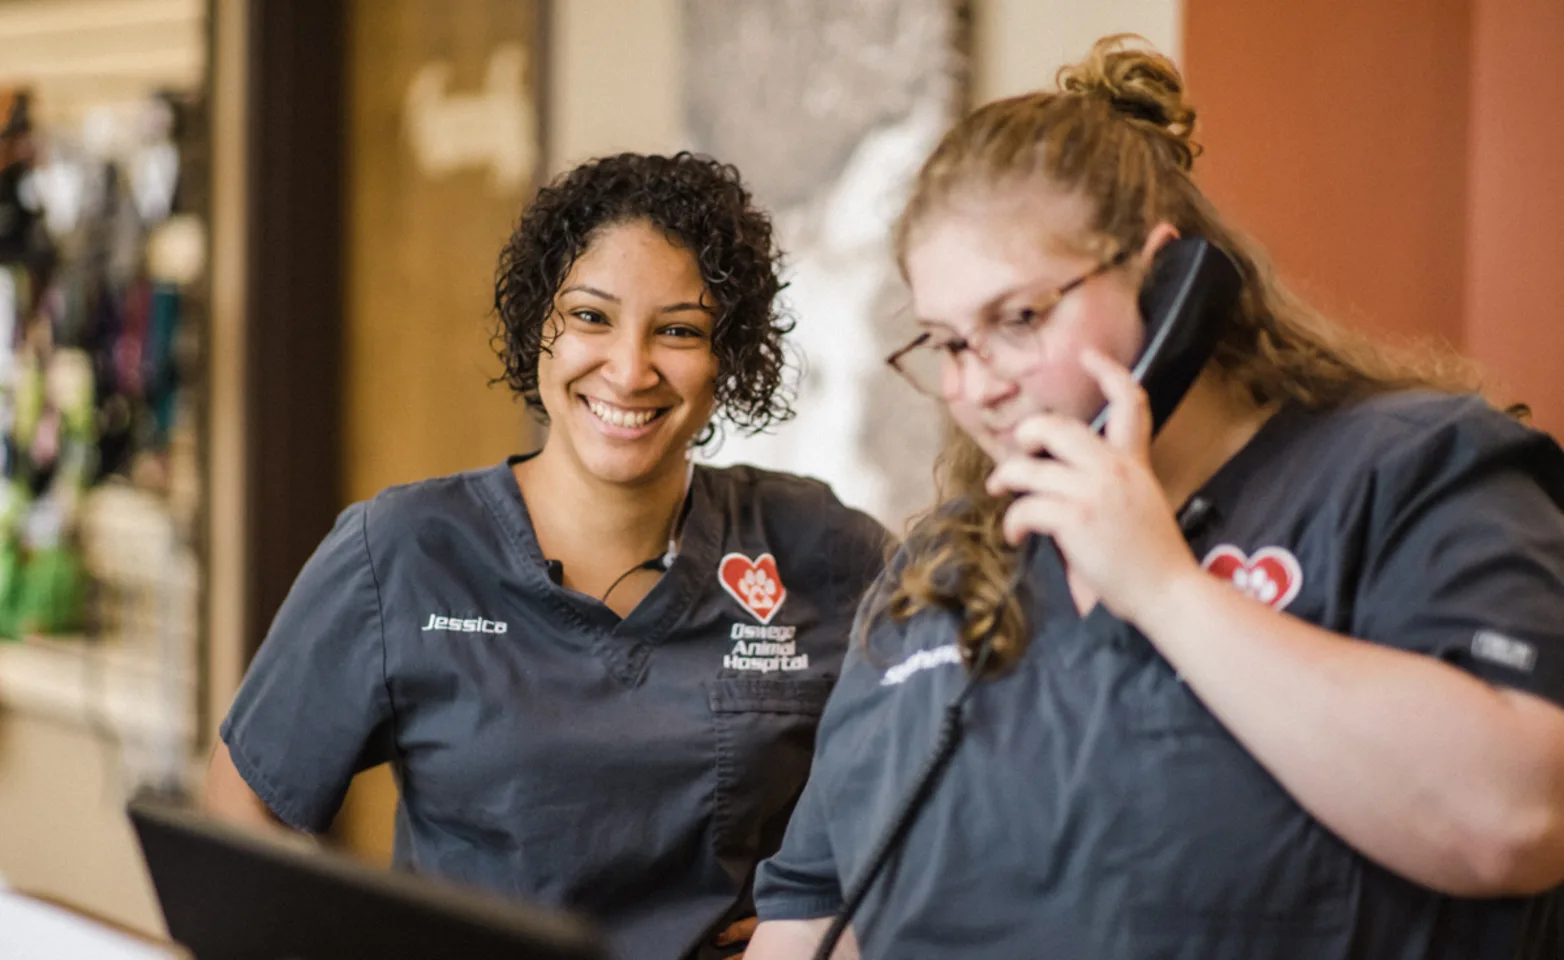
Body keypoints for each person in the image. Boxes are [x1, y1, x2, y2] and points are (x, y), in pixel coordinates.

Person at [745, 36, 1564, 960]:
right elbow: (811, 912)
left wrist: (1163, 588)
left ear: (1166, 278)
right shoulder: (937, 571)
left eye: (1019, 319)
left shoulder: (1408, 471)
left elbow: (1516, 819)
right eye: (947, 342)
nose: (976, 386)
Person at [203, 152, 891, 960]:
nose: (630, 369)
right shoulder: (402, 550)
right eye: (592, 318)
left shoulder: (819, 547)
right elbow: (240, 815)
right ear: (540, 327)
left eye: (678, 330)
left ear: (726, 363)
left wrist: (838, 920)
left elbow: (971, 761)